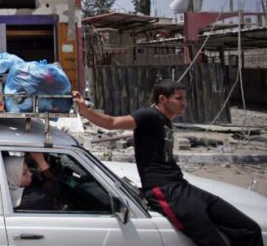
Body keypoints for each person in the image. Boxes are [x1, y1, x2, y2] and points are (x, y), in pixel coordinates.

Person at [73, 80, 262, 246]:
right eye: (178, 98)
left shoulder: (165, 121)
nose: (184, 103)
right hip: (164, 191)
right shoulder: (149, 116)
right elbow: (113, 122)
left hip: (181, 186)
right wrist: (85, 111)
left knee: (249, 229)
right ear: (163, 99)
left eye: (184, 98)